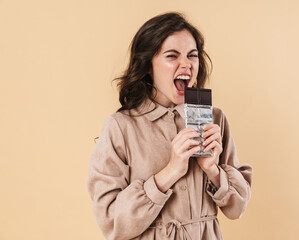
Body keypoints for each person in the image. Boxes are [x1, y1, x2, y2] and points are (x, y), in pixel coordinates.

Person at [87, 12, 253, 240]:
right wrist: (170, 171)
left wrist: (212, 170)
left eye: (192, 56)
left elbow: (237, 209)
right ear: (147, 66)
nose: (186, 64)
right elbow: (112, 223)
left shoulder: (215, 119)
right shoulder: (120, 127)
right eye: (172, 56)